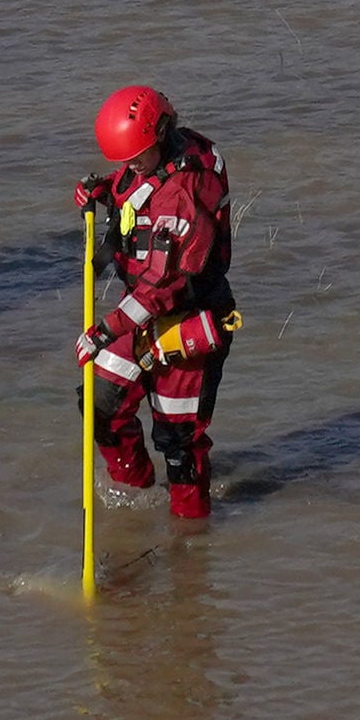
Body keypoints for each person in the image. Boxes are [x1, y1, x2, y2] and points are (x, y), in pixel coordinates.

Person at [75, 84, 238, 521]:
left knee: (179, 444)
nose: (130, 165)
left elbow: (160, 287)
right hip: (144, 314)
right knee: (100, 401)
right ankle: (135, 499)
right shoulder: (164, 156)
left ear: (161, 134)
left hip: (188, 322)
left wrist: (104, 331)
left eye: (136, 156)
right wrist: (104, 191)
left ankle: (190, 541)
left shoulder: (185, 192)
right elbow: (138, 186)